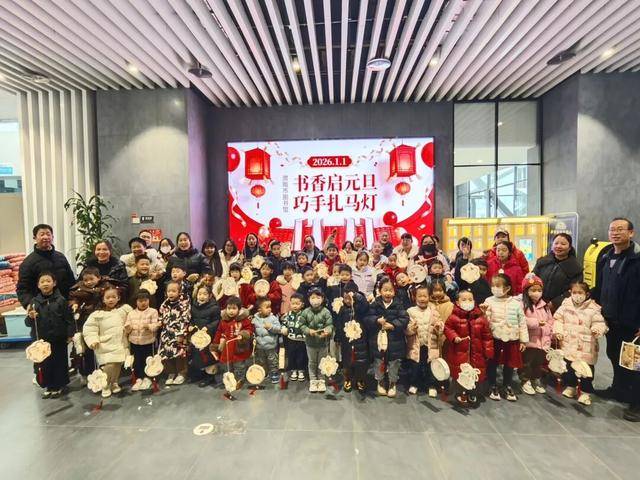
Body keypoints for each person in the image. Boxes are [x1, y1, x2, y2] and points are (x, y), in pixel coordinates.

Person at [591, 217, 640, 421]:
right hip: (611, 320)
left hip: (632, 323)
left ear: (631, 233)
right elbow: (600, 287)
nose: (615, 233)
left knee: (634, 363)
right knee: (614, 355)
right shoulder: (606, 257)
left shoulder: (637, 260)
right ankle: (619, 389)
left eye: (620, 229)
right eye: (612, 229)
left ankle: (637, 403)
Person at [555, 281, 607, 406]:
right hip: (569, 343)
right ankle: (571, 386)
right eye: (574, 292)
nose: (577, 295)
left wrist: (597, 329)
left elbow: (600, 323)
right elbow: (558, 319)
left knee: (586, 370)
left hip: (586, 346)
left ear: (587, 294)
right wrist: (558, 331)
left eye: (580, 292)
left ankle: (585, 392)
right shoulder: (565, 305)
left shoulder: (593, 309)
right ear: (570, 293)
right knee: (569, 367)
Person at [25, 271, 73, 398]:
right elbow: (28, 323)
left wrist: (70, 334)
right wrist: (30, 317)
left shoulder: (61, 300)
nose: (45, 284)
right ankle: (49, 386)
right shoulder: (34, 302)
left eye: (48, 281)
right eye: (42, 282)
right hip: (42, 341)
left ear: (54, 283)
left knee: (59, 362)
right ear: (38, 285)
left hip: (59, 339)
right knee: (45, 364)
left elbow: (69, 319)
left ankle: (59, 385)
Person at [83, 285, 133, 398]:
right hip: (104, 345)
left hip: (120, 343)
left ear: (118, 298)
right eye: (108, 297)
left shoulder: (124, 310)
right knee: (109, 365)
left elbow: (131, 321)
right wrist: (93, 340)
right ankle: (105, 384)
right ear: (103, 299)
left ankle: (114, 382)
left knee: (117, 364)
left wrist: (129, 329)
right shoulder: (97, 315)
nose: (111, 300)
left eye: (113, 297)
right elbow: (90, 329)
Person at [445, 290, 494, 405]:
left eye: (470, 299)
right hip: (459, 353)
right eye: (464, 299)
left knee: (475, 375)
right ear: (457, 302)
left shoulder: (480, 318)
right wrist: (454, 337)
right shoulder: (453, 317)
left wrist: (488, 351)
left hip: (477, 354)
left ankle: (473, 392)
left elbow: (487, 336)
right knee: (460, 373)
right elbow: (447, 328)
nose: (468, 302)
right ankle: (460, 393)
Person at [483, 274, 527, 402]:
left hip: (512, 338)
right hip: (495, 337)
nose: (494, 288)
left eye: (498, 285)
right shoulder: (489, 301)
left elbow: (522, 322)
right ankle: (492, 385)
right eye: (493, 285)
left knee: (509, 363)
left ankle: (507, 385)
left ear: (507, 288)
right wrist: (484, 313)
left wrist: (523, 340)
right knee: (492, 362)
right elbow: (485, 322)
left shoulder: (516, 303)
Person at [365, 277, 409, 398]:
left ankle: (392, 383)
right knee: (378, 361)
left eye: (391, 290)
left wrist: (393, 325)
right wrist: (376, 320)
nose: (388, 293)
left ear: (394, 292)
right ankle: (380, 381)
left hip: (395, 340)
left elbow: (405, 318)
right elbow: (367, 318)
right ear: (380, 291)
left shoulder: (398, 304)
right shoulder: (375, 303)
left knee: (394, 363)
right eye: (385, 290)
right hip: (378, 339)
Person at [17, 224, 75, 309]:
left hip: (64, 306)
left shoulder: (61, 257)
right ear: (35, 238)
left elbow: (71, 281)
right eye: (42, 234)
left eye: (48, 234)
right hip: (42, 308)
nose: (45, 237)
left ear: (52, 237)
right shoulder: (28, 262)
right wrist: (29, 305)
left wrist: (74, 299)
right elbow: (23, 289)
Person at [406, 284, 444, 397]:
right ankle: (414, 383)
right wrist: (411, 329)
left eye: (425, 296)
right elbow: (406, 328)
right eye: (420, 296)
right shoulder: (410, 311)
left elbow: (440, 325)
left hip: (430, 345)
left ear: (429, 297)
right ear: (415, 297)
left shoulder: (434, 311)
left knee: (431, 366)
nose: (422, 299)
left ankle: (431, 385)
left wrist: (438, 327)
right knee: (415, 366)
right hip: (416, 345)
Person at [519, 274, 554, 396]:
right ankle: (525, 380)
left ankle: (535, 379)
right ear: (526, 291)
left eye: (539, 290)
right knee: (527, 362)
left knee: (538, 363)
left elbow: (550, 320)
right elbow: (521, 320)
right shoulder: (522, 304)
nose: (537, 293)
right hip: (529, 341)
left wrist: (549, 329)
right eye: (533, 290)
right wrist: (536, 322)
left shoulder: (544, 306)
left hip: (542, 341)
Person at [68, 267, 103, 383]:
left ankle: (102, 371)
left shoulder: (104, 288)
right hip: (84, 322)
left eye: (91, 279)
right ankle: (87, 372)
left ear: (98, 278)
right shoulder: (77, 290)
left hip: (101, 322)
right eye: (86, 280)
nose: (88, 282)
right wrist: (74, 305)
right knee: (85, 348)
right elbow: (73, 299)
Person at [211, 296, 254, 389]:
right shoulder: (223, 321)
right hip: (227, 348)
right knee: (227, 366)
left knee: (239, 366)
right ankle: (230, 381)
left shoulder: (244, 320)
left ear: (239, 309)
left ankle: (239, 381)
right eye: (229, 308)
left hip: (239, 348)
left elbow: (249, 329)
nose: (231, 311)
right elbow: (219, 332)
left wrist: (243, 334)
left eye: (234, 308)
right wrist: (215, 344)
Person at [533, 233, 583, 311]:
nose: (558, 246)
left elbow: (575, 289)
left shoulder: (576, 268)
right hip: (537, 303)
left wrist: (555, 303)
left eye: (563, 244)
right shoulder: (542, 261)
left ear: (569, 247)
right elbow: (533, 279)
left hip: (560, 308)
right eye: (556, 243)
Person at [334, 285, 369, 394]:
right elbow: (339, 324)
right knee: (347, 362)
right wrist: (338, 337)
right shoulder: (342, 309)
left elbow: (365, 305)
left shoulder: (360, 308)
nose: (348, 301)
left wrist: (356, 296)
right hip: (346, 341)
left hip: (360, 341)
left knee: (361, 362)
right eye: (346, 298)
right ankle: (348, 379)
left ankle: (360, 379)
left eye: (350, 298)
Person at [124, 290, 160, 392]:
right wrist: (127, 327)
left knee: (148, 360)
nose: (143, 303)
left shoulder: (153, 311)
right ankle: (138, 378)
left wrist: (148, 326)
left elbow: (155, 326)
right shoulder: (131, 313)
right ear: (136, 301)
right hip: (134, 342)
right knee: (137, 361)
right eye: (140, 301)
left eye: (145, 300)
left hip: (148, 342)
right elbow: (127, 329)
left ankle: (148, 378)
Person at [299, 288, 333, 393]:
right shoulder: (305, 312)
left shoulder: (326, 312)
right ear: (308, 299)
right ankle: (313, 381)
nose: (315, 300)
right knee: (312, 362)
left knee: (322, 362)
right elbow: (302, 325)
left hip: (323, 343)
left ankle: (321, 380)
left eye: (318, 297)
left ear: (322, 298)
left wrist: (328, 331)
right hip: (310, 343)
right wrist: (308, 331)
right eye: (313, 297)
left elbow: (330, 325)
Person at [158, 281, 191, 386]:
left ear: (179, 292)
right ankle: (171, 373)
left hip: (178, 333)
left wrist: (181, 334)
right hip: (166, 333)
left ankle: (181, 373)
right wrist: (159, 323)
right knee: (166, 354)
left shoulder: (183, 304)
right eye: (169, 291)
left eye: (173, 291)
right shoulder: (164, 304)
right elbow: (161, 316)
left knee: (180, 354)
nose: (171, 293)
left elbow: (185, 319)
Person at [188, 285, 220, 387]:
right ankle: (199, 375)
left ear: (210, 296)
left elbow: (217, 321)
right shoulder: (193, 306)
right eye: (200, 294)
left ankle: (209, 377)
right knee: (196, 355)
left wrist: (208, 327)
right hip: (197, 336)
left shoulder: (214, 308)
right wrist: (191, 326)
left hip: (209, 336)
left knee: (207, 356)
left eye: (205, 294)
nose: (202, 296)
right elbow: (191, 319)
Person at [252, 298, 286, 384]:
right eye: (267, 307)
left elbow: (279, 329)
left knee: (273, 360)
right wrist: (253, 339)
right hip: (260, 346)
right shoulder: (255, 320)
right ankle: (264, 372)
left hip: (271, 345)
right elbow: (253, 331)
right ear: (259, 310)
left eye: (270, 307)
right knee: (261, 360)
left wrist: (270, 327)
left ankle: (274, 373)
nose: (269, 309)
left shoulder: (273, 318)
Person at [280, 293, 308, 382]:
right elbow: (284, 323)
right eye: (293, 303)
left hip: (302, 340)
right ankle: (293, 370)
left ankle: (301, 370)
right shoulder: (288, 314)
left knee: (301, 356)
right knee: (292, 355)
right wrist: (284, 328)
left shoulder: (305, 314)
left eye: (297, 304)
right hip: (291, 339)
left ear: (302, 304)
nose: (295, 306)